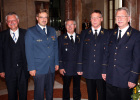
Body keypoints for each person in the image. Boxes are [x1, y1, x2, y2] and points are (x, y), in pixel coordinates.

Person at [102, 7, 140, 100]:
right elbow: (106, 53)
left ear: (129, 18)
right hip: (110, 77)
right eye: (117, 16)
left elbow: (137, 59)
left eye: (122, 16)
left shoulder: (136, 35)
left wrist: (133, 78)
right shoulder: (111, 33)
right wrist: (104, 70)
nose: (119, 19)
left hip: (125, 79)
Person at [25, 9, 59, 100]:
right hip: (38, 67)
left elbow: (55, 47)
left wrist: (56, 62)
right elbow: (29, 51)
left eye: (45, 17)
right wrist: (31, 67)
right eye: (41, 17)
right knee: (39, 92)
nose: (44, 19)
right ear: (37, 18)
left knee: (50, 91)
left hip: (51, 66)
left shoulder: (52, 30)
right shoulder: (31, 31)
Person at [77, 10, 108, 100]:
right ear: (90, 20)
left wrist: (106, 69)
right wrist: (79, 67)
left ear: (101, 19)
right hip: (88, 69)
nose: (94, 20)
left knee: (102, 94)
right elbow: (80, 51)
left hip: (102, 70)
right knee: (91, 94)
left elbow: (108, 53)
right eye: (92, 18)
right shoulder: (84, 33)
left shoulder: (107, 33)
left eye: (97, 18)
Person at [0, 12, 29, 100]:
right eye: (9, 21)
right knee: (11, 95)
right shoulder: (1, 36)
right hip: (9, 71)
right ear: (6, 23)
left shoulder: (26, 33)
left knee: (23, 94)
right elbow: (0, 54)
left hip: (24, 70)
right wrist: (1, 70)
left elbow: (31, 52)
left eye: (14, 20)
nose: (12, 22)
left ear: (18, 20)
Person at [58, 19, 81, 100]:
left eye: (71, 25)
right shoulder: (61, 38)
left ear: (75, 26)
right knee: (66, 87)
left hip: (77, 68)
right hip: (66, 67)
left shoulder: (80, 37)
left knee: (77, 87)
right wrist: (61, 67)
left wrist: (81, 67)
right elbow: (59, 53)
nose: (70, 26)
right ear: (65, 27)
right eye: (68, 25)